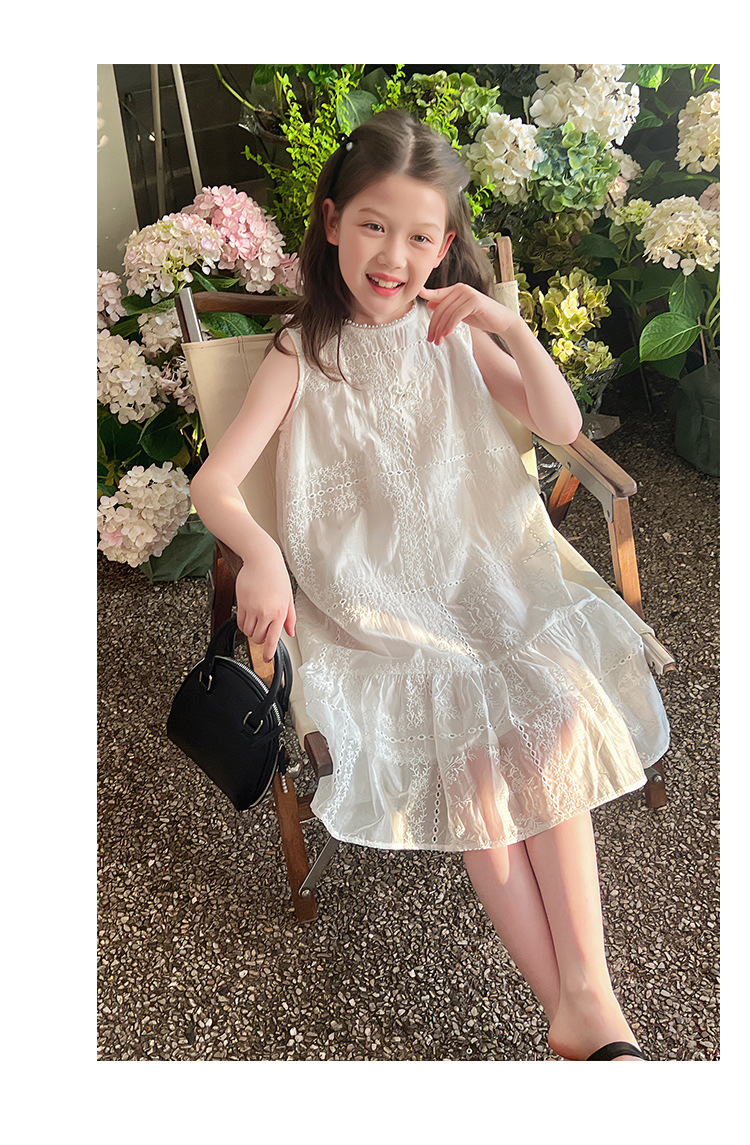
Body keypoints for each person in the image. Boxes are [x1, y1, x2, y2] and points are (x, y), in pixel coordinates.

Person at [189, 109, 670, 1062]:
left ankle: (584, 1007)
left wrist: (506, 323)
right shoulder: (301, 353)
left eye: (419, 237)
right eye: (374, 225)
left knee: (544, 724)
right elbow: (215, 483)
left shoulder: (450, 332)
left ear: (445, 247)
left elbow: (559, 421)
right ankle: (585, 1015)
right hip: (376, 607)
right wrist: (262, 550)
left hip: (486, 579)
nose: (393, 257)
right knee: (477, 770)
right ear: (332, 220)